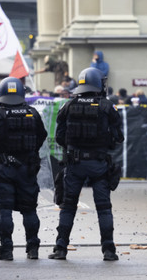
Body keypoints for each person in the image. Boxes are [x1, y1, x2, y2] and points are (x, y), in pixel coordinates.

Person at [49, 67, 124, 261]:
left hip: (75, 164)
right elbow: (118, 137)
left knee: (68, 207)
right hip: (99, 163)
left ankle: (60, 248)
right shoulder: (107, 106)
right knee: (104, 208)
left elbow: (59, 137)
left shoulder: (68, 105)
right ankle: (109, 250)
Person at [0, 77, 47, 260]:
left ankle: (6, 250)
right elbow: (42, 136)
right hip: (28, 169)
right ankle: (33, 248)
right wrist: (30, 153)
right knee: (29, 209)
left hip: (5, 170)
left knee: (5, 208)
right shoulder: (33, 114)